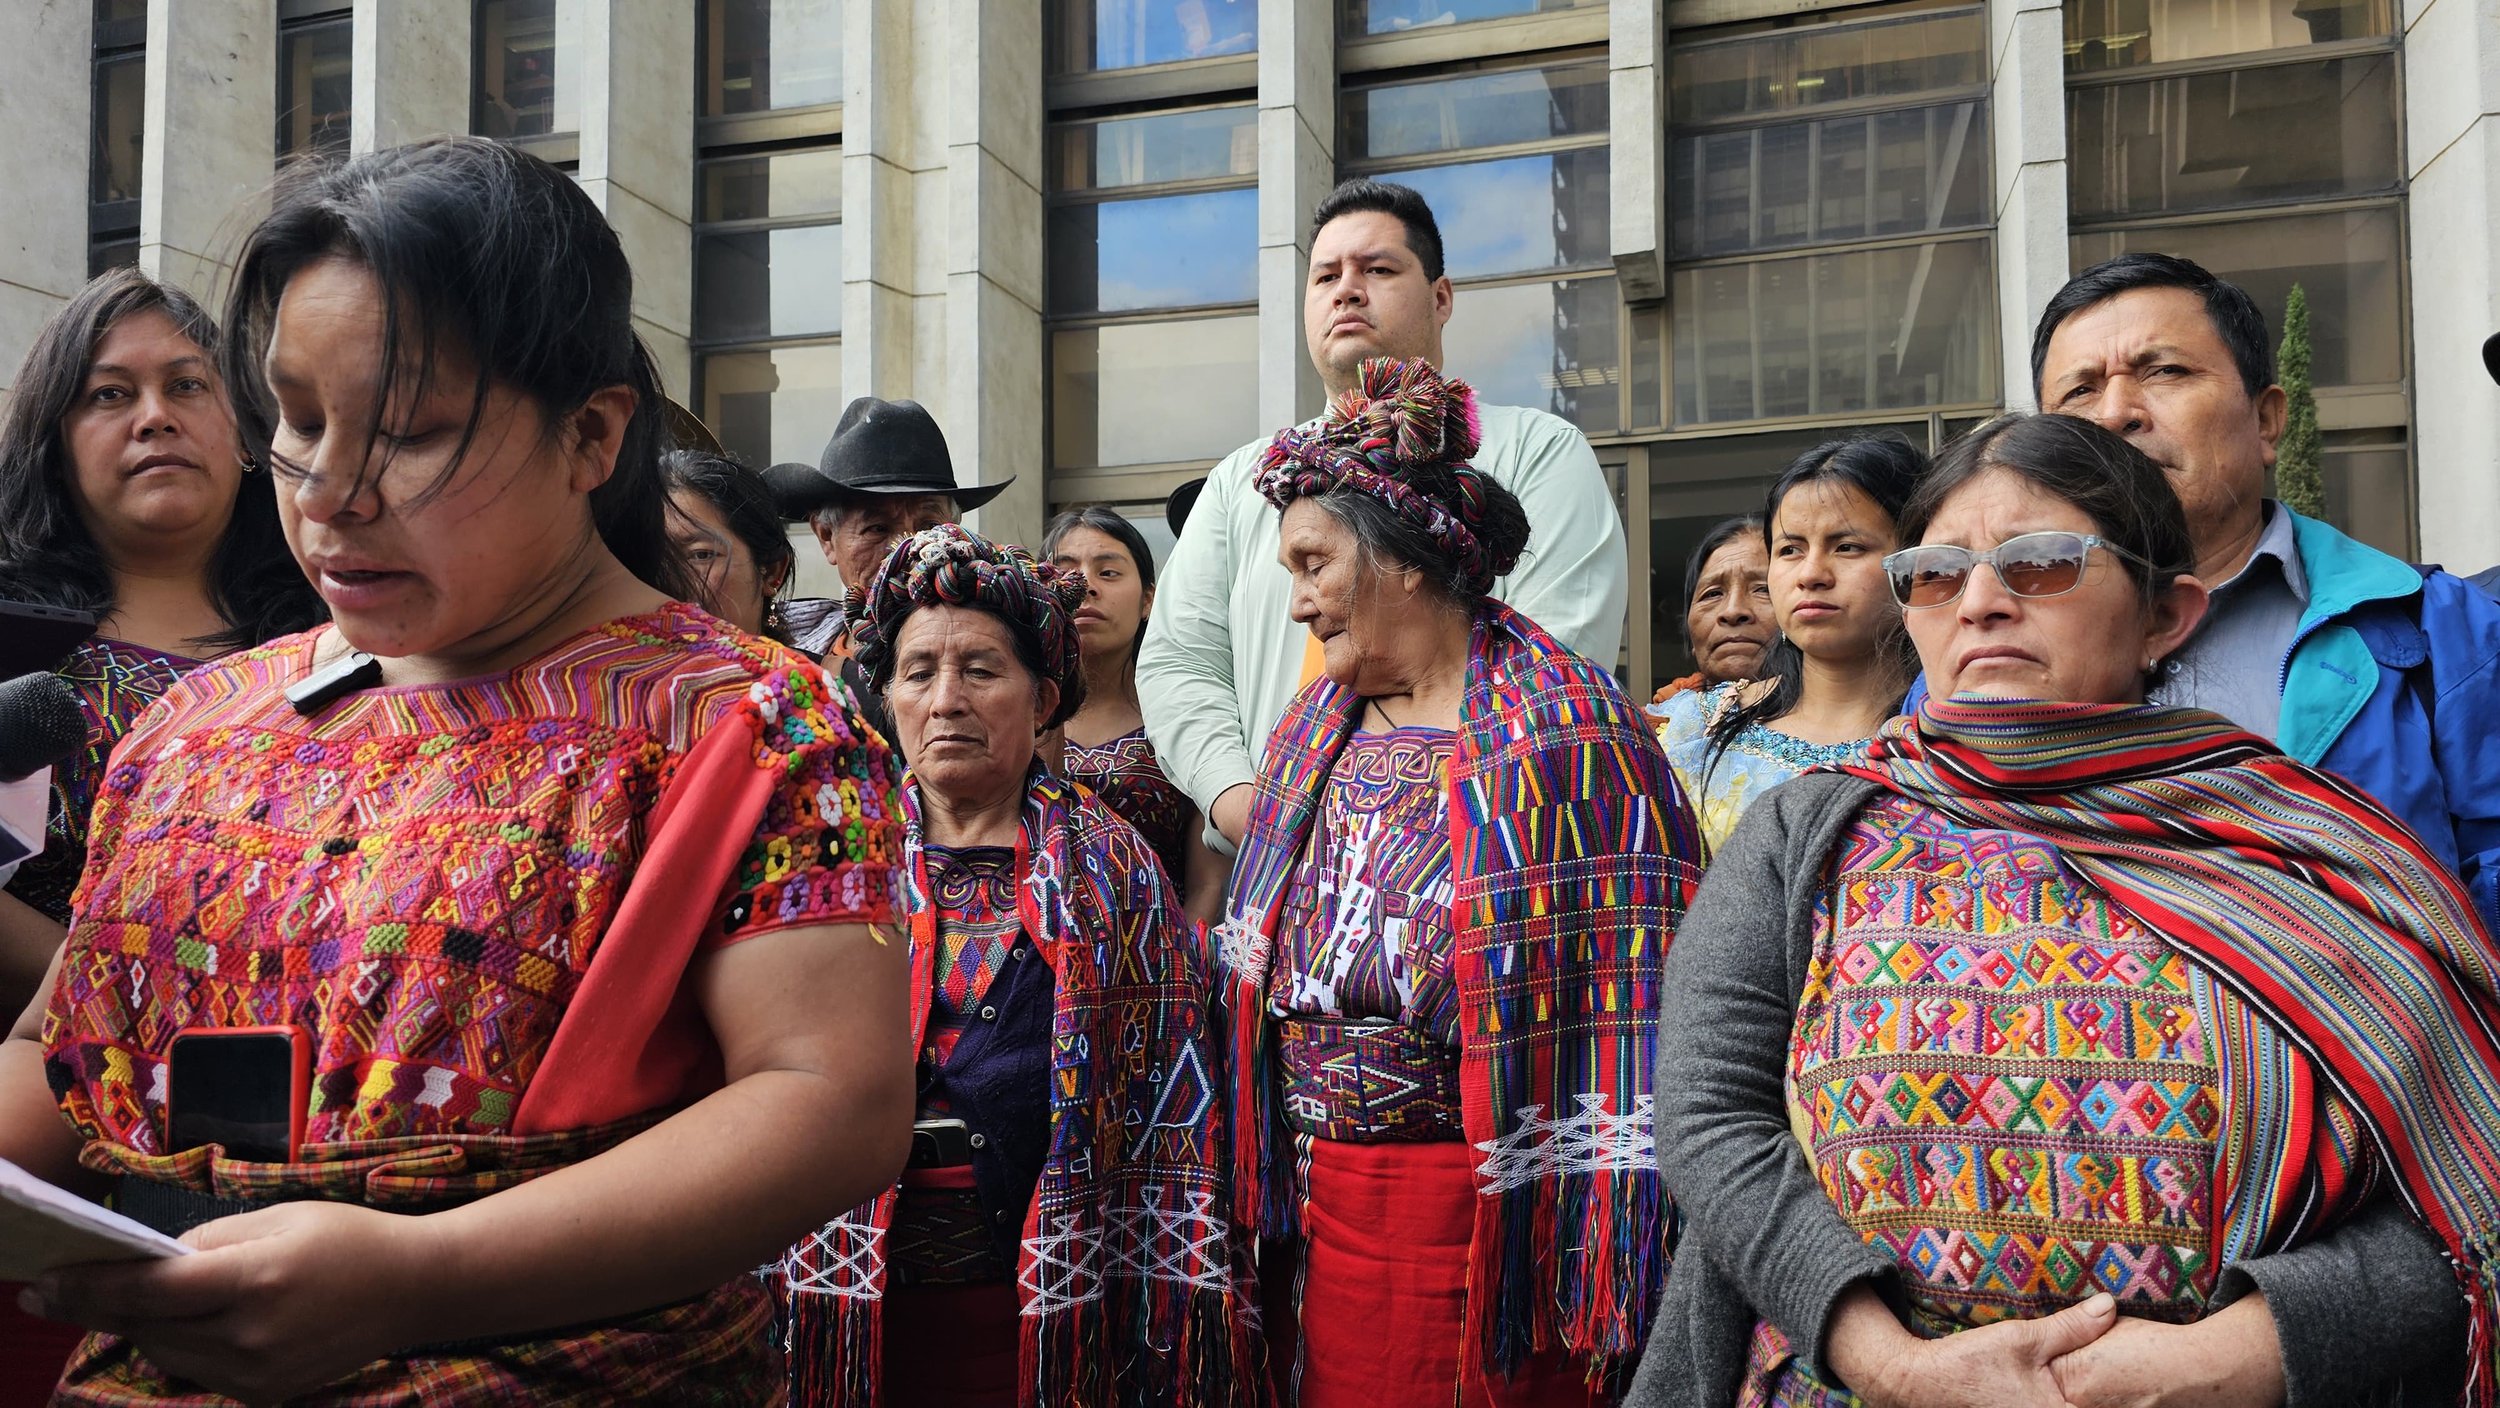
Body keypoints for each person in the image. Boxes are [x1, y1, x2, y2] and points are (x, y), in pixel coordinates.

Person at [1, 136, 913, 1405]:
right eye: (298, 422)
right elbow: (55, 1059)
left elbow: (829, 1100)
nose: (329, 494)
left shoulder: (748, 725)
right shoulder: (197, 723)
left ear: (591, 434)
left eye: (413, 432)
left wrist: (419, 1273)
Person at [1632, 412, 2493, 1408]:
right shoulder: (1808, 832)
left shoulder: (2307, 850)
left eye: (2040, 562)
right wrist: (1893, 1362)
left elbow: (2457, 1190)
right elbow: (1708, 1114)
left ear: (2166, 613)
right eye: (1937, 570)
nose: (1982, 602)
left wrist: (2233, 1357)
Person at [1222, 358, 1701, 1406]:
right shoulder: (1310, 733)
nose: (1296, 600)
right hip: (1318, 1207)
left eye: (1312, 563)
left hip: (1492, 1214)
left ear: (1400, 561)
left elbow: (1643, 989)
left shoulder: (1569, 733)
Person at [779, 524, 1259, 1408]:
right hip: (849, 1313)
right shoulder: (831, 857)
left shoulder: (1112, 870)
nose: (947, 699)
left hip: (1049, 1319)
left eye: (982, 671)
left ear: (1043, 699)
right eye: (919, 672)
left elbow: (1170, 1104)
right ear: (886, 697)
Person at [1139, 179, 1629, 854]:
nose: (1346, 289)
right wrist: (1244, 805)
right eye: (1326, 276)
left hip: (1474, 853)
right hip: (1271, 870)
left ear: (1441, 297)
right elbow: (1179, 663)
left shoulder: (1536, 452)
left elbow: (1554, 655)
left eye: (1377, 269)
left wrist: (1403, 819)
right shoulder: (1244, 481)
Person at [2034, 254, 2500, 929]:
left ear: (2267, 420)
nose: (2115, 413)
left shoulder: (2448, 636)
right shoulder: (1982, 656)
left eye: (2163, 371)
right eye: (2079, 392)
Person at [0, 268, 323, 1017]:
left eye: (186, 386)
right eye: (110, 394)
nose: (155, 417)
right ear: (56, 444)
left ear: (246, 431)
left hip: (311, 1071)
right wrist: (138, 1002)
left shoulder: (346, 631)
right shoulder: (12, 634)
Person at [1652, 438, 1921, 853]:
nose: (1810, 574)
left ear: (1914, 563)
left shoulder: (1954, 742)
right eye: (1790, 549)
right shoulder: (1690, 730)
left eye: (1847, 547)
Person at [1044, 506, 1230, 922]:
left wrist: (1182, 969)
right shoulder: (1018, 715)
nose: (1085, 587)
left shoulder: (1183, 719)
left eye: (1108, 573)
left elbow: (1208, 883)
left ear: (1148, 600)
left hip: (1158, 967)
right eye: (1066, 572)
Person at [762, 395, 1001, 661]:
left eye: (930, 526)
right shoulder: (777, 651)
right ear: (826, 536)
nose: (907, 548)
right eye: (877, 528)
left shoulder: (1003, 643)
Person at [661, 447, 796, 641]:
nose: (670, 582)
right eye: (652, 560)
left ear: (772, 571)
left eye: (701, 555)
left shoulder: (813, 672)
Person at [1650, 515, 1770, 702]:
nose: (1732, 611)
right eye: (1713, 594)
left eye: (1763, 589)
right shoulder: (1655, 724)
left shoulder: (1829, 724)